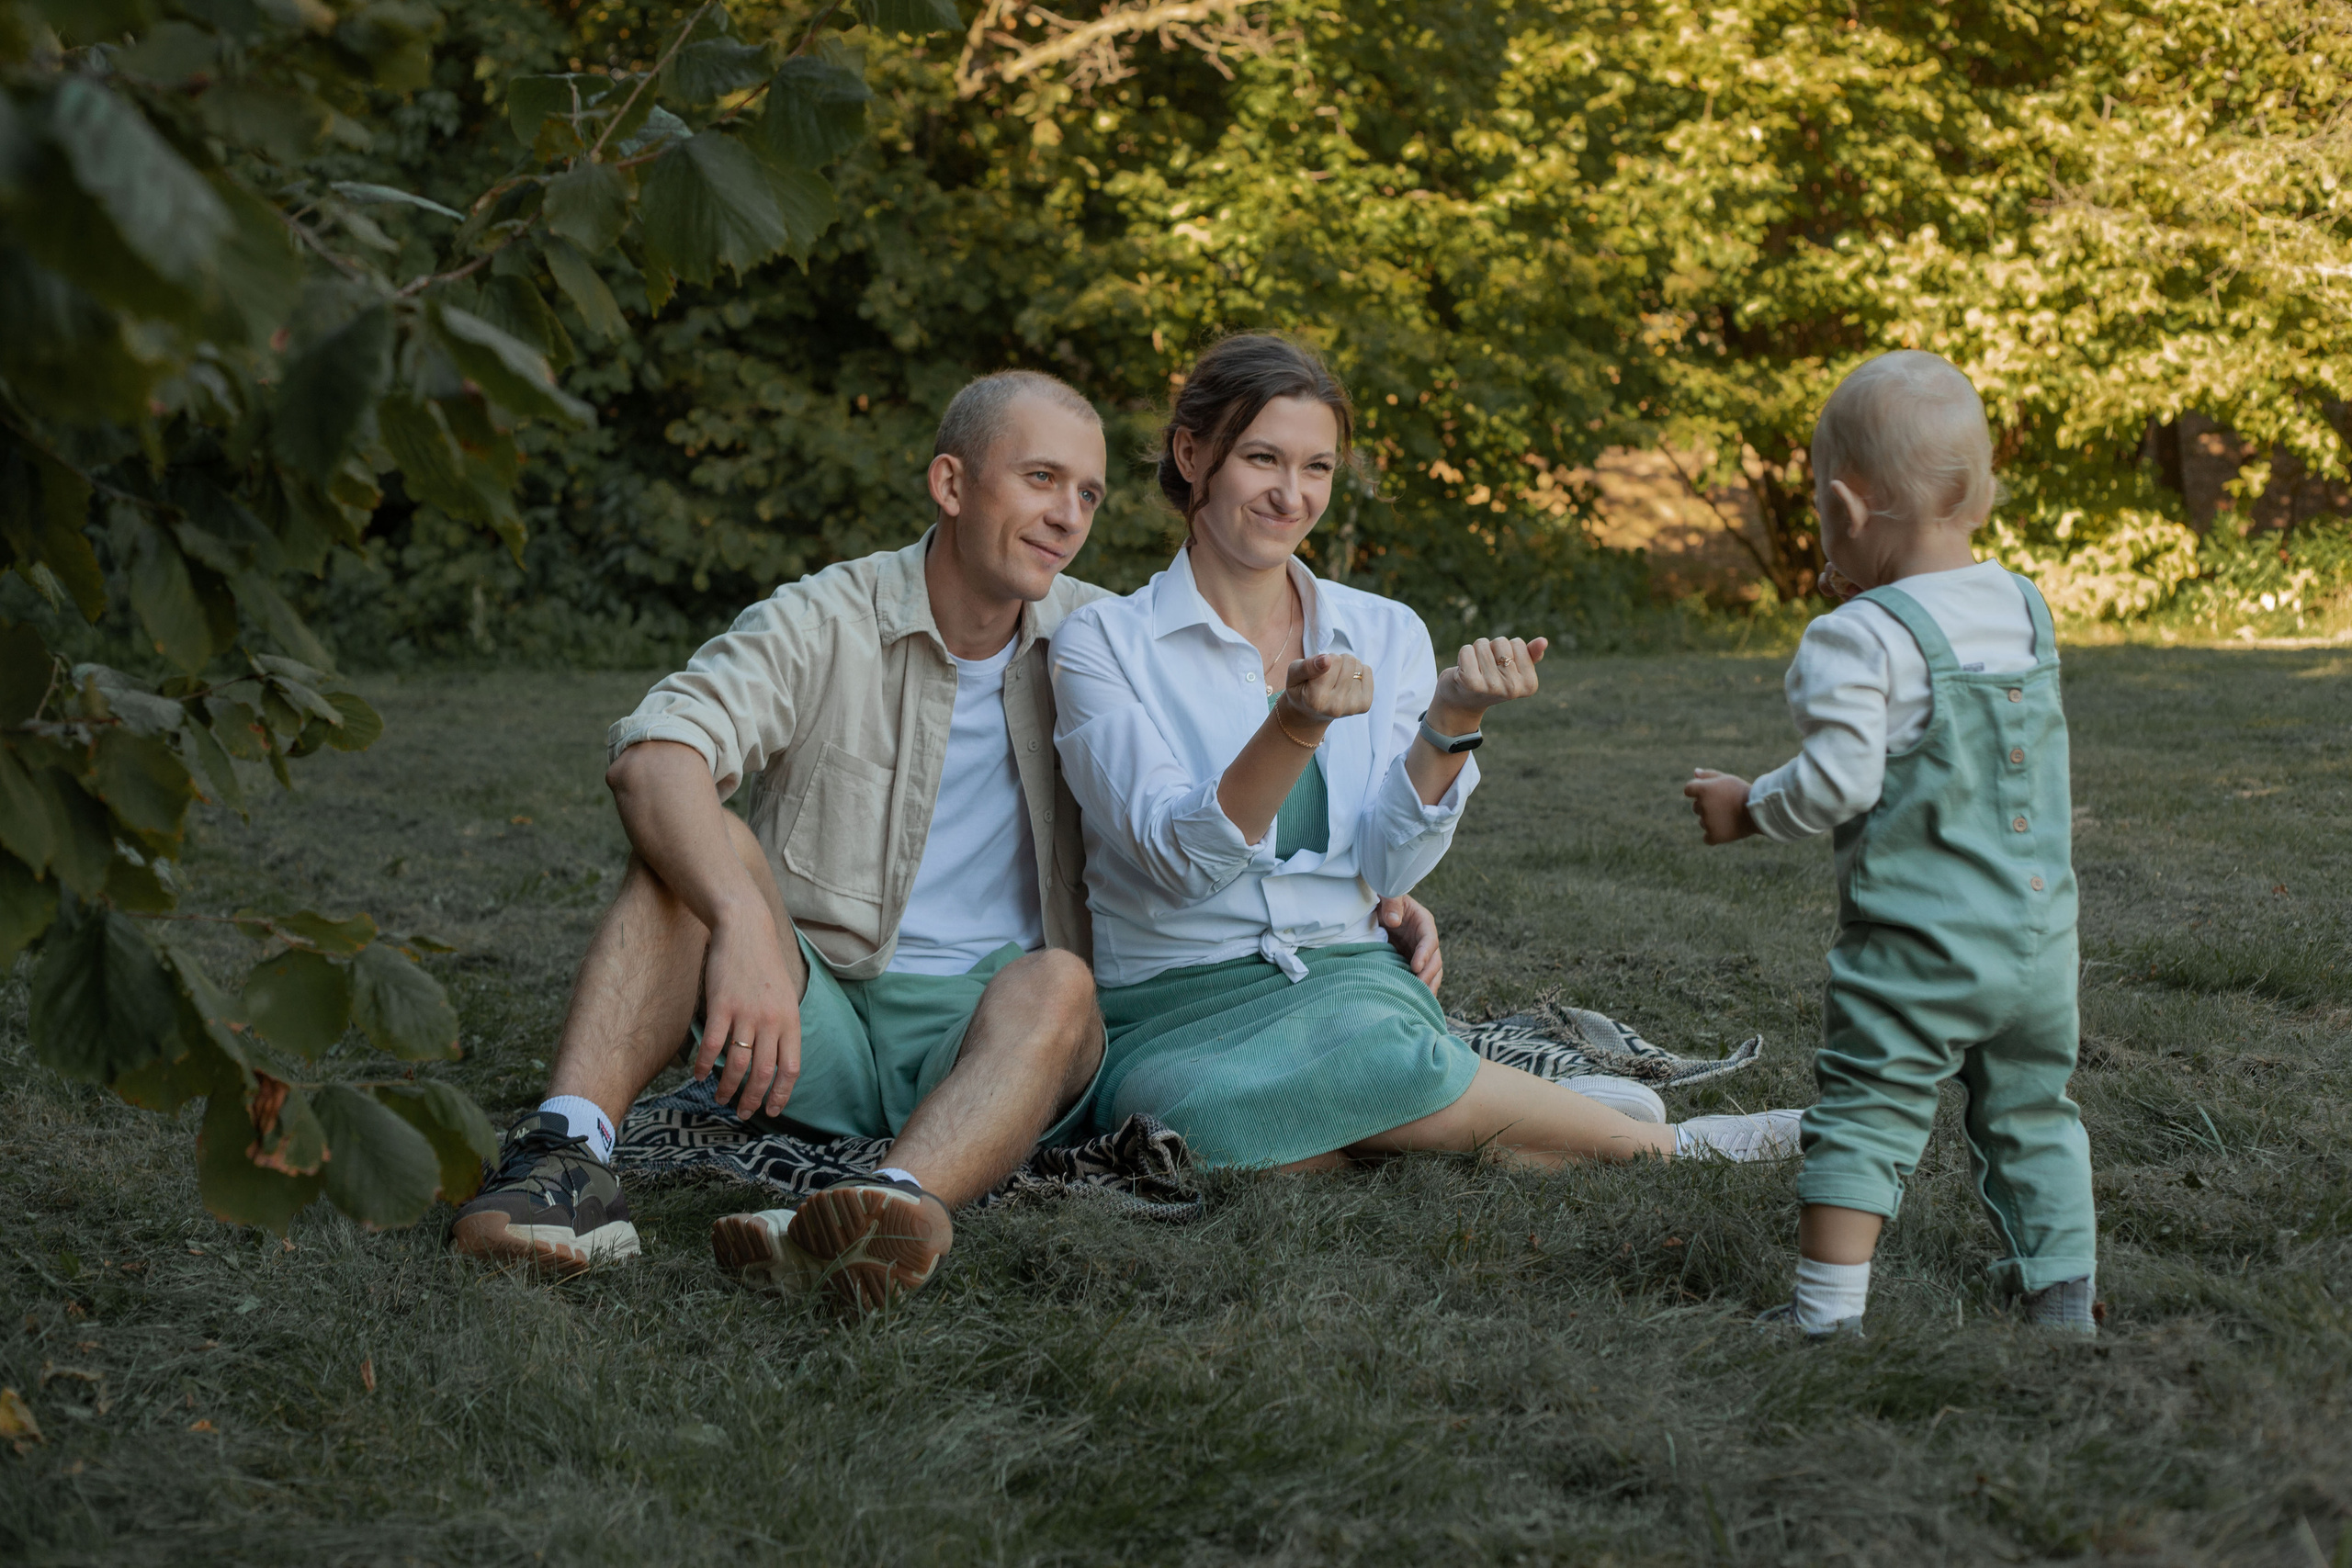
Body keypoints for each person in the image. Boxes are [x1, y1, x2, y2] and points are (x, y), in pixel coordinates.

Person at [447, 368, 1444, 1310]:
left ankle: (883, 1209)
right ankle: (562, 1162)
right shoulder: (825, 617)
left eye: (1090, 495)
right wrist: (743, 920)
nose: (1067, 516)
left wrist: (1368, 903)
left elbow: (1208, 821)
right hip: (816, 1016)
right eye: (1042, 479)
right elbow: (653, 755)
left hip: (1003, 1039)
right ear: (951, 484)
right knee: (680, 857)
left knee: (1060, 979)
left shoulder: (1103, 641)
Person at [1050, 333, 1804, 1171]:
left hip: (1343, 971)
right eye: (1262, 458)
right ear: (1192, 455)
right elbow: (1176, 865)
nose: (1291, 496)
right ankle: (1502, 1103)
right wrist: (1293, 726)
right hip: (1173, 1000)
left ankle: (1681, 1148)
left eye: (1318, 468)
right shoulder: (1104, 643)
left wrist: (1453, 714)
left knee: (1354, 1069)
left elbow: (1390, 861)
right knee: (1199, 1129)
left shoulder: (1385, 629)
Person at [1682, 349, 2098, 1338]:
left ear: (1843, 508)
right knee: (2034, 1110)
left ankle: (1823, 1317)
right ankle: (2061, 1301)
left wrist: (1748, 807)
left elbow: (1838, 782)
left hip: (1919, 945)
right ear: (1979, 490)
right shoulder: (2021, 607)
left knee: (1867, 1107)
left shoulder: (1854, 637)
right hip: (2040, 939)